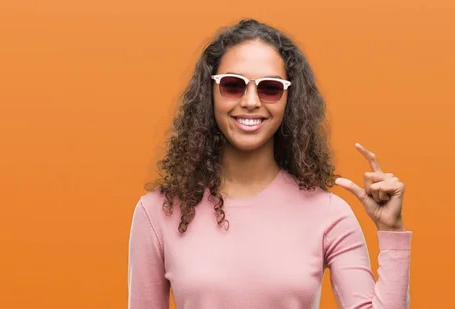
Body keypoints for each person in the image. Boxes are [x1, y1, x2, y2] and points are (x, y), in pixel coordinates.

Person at [127, 19, 411, 309]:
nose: (251, 101)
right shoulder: (156, 213)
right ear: (209, 94)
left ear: (290, 99)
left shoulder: (328, 213)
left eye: (270, 88)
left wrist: (392, 232)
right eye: (233, 85)